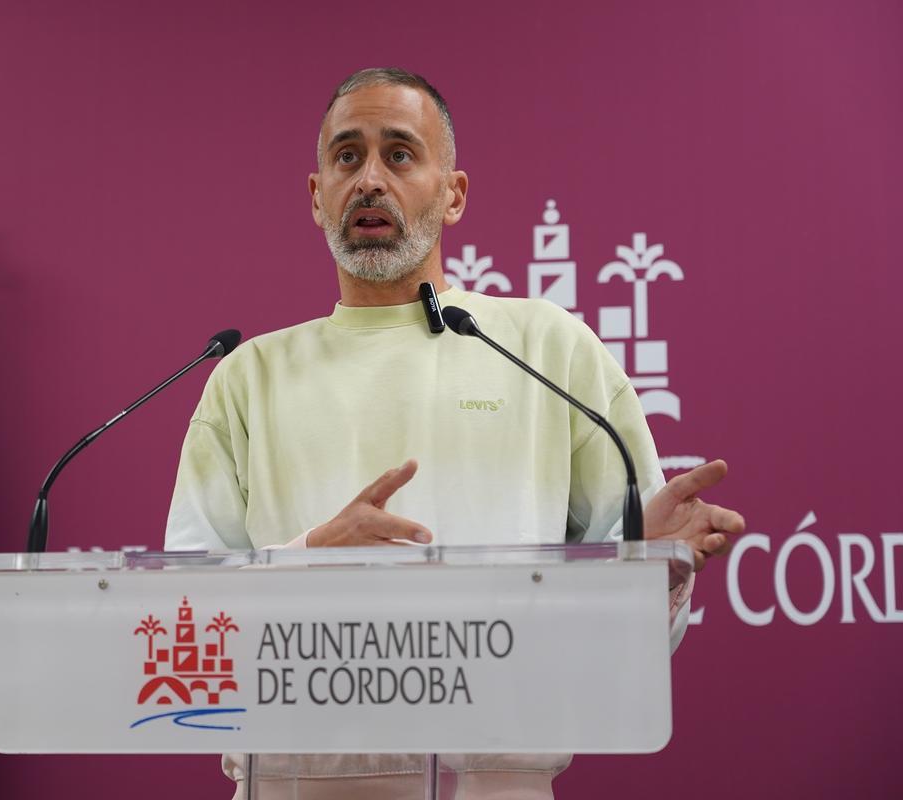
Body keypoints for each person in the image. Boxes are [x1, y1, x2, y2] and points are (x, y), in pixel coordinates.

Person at [165, 67, 744, 799]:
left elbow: (621, 642)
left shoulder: (545, 348)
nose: (369, 179)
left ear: (453, 193)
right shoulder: (247, 378)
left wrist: (647, 571)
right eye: (347, 157)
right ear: (317, 196)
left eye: (400, 154)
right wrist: (308, 562)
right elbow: (183, 624)